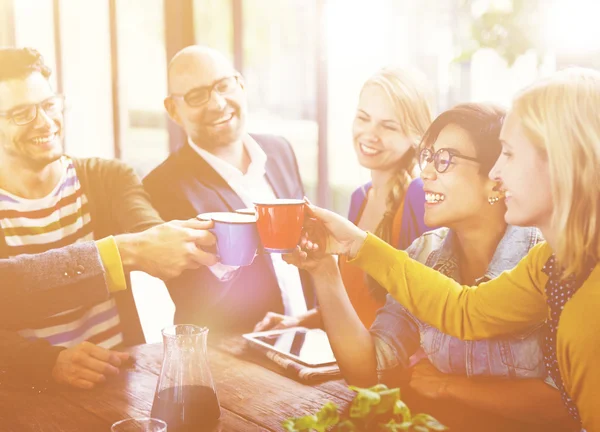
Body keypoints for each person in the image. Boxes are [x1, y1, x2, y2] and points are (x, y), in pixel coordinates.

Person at [297, 69, 600, 431]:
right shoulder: (550, 262)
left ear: (562, 161)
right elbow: (465, 310)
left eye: (509, 154)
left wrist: (448, 387)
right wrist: (343, 253)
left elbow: (569, 410)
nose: (499, 171)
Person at [0, 47, 218, 390]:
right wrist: (48, 361)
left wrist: (174, 240)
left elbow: (147, 229)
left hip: (118, 385)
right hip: (26, 399)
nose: (45, 122)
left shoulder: (108, 177)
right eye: (21, 114)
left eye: (48, 104)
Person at [143, 46, 314, 333]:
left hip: (307, 341)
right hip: (234, 360)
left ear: (241, 84)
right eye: (197, 96)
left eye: (223, 86)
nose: (218, 104)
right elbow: (193, 299)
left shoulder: (280, 150)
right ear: (173, 110)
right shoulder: (162, 187)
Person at [254, 66, 433, 332]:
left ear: (415, 137)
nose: (370, 134)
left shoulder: (420, 197)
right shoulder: (359, 198)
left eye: (388, 126)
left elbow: (429, 308)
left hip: (392, 367)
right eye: (363, 118)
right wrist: (299, 322)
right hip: (352, 359)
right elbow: (356, 302)